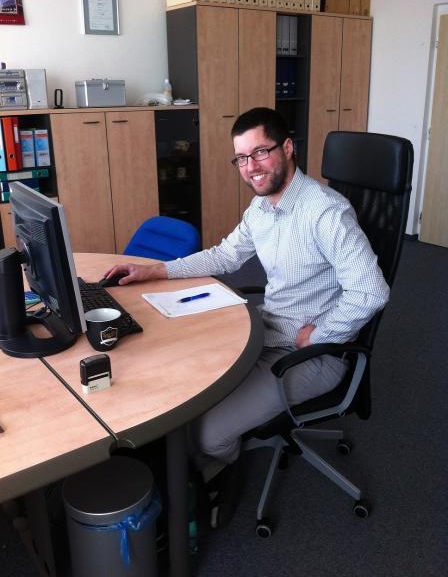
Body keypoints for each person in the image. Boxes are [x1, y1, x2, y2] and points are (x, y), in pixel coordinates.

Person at [106, 107, 389, 518]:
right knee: (179, 383)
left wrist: (322, 333)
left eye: (260, 152)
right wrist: (154, 270)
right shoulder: (262, 208)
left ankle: (216, 476)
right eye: (241, 158)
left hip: (312, 354)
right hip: (265, 331)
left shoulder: (326, 212)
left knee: (207, 433)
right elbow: (225, 255)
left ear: (287, 148)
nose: (251, 167)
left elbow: (371, 291)